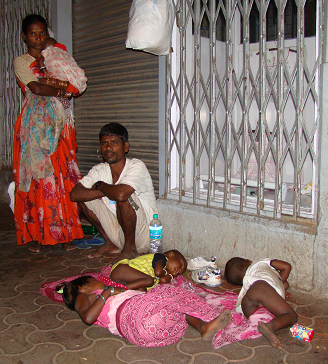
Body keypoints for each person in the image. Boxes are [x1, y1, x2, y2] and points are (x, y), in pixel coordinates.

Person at [13, 14, 85, 253]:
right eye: (32, 33)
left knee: (63, 175)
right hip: (36, 126)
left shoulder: (53, 54)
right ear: (24, 36)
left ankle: (68, 234)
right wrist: (62, 87)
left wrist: (51, 48)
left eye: (41, 33)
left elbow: (73, 82)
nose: (37, 38)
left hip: (60, 123)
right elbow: (36, 88)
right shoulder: (21, 62)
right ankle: (38, 234)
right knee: (38, 178)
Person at [57, 275, 232, 347]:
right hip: (135, 320)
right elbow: (87, 318)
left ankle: (204, 327)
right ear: (85, 286)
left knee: (176, 306)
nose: (101, 282)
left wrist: (134, 289)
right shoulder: (84, 296)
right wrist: (107, 291)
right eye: (95, 281)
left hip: (150, 328)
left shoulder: (108, 294)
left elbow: (139, 296)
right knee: (168, 292)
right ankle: (210, 315)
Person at [70, 122, 157, 262]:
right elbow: (74, 194)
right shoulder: (99, 170)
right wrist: (105, 191)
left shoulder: (136, 166)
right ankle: (110, 243)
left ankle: (130, 250)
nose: (108, 147)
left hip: (144, 237)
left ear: (126, 147)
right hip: (118, 235)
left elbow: (121, 194)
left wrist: (100, 186)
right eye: (104, 143)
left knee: (123, 196)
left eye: (114, 142)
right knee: (84, 197)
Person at [224, 257, 298, 349]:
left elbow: (284, 285)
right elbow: (286, 266)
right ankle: (271, 326)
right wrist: (279, 285)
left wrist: (279, 287)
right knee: (290, 315)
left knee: (264, 314)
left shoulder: (248, 281)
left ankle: (259, 321)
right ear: (248, 260)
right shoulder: (259, 262)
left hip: (246, 303)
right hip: (261, 287)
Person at [110, 249, 187, 290]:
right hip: (122, 269)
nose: (179, 270)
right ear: (171, 254)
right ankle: (121, 289)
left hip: (127, 278)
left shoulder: (165, 271)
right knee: (149, 280)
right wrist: (166, 273)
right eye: (180, 265)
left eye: (180, 272)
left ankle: (123, 288)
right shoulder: (161, 258)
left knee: (142, 291)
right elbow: (158, 272)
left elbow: (163, 281)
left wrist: (170, 276)